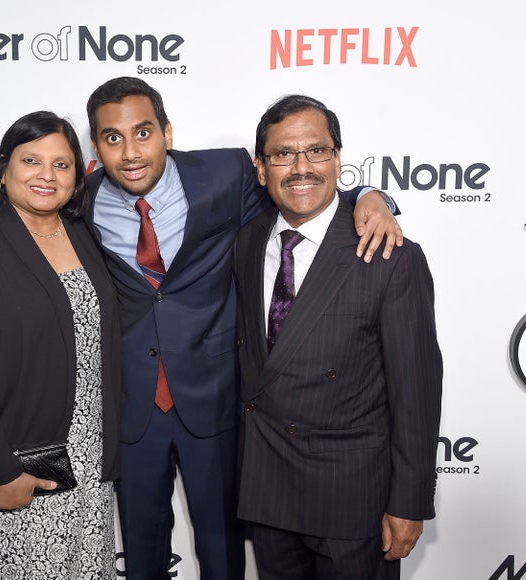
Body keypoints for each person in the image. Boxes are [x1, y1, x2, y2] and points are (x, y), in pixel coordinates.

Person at [83, 76, 402, 580]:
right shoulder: (81, 196)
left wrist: (369, 194)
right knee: (141, 553)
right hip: (130, 407)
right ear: (96, 146)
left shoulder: (226, 173)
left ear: (167, 131)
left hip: (215, 399)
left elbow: (301, 187)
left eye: (143, 132)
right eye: (112, 138)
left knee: (223, 551)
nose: (130, 152)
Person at [234, 94, 443, 580]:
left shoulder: (391, 255)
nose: (301, 167)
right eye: (283, 154)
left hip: (353, 503)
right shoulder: (247, 241)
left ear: (338, 160)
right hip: (267, 493)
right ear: (261, 170)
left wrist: (410, 501)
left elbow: (416, 392)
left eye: (317, 151)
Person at [0, 111, 121, 579]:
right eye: (31, 160)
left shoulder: (82, 234)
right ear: (4, 167)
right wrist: (0, 472)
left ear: (78, 175)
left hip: (88, 460)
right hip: (20, 465)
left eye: (61, 164)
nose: (46, 175)